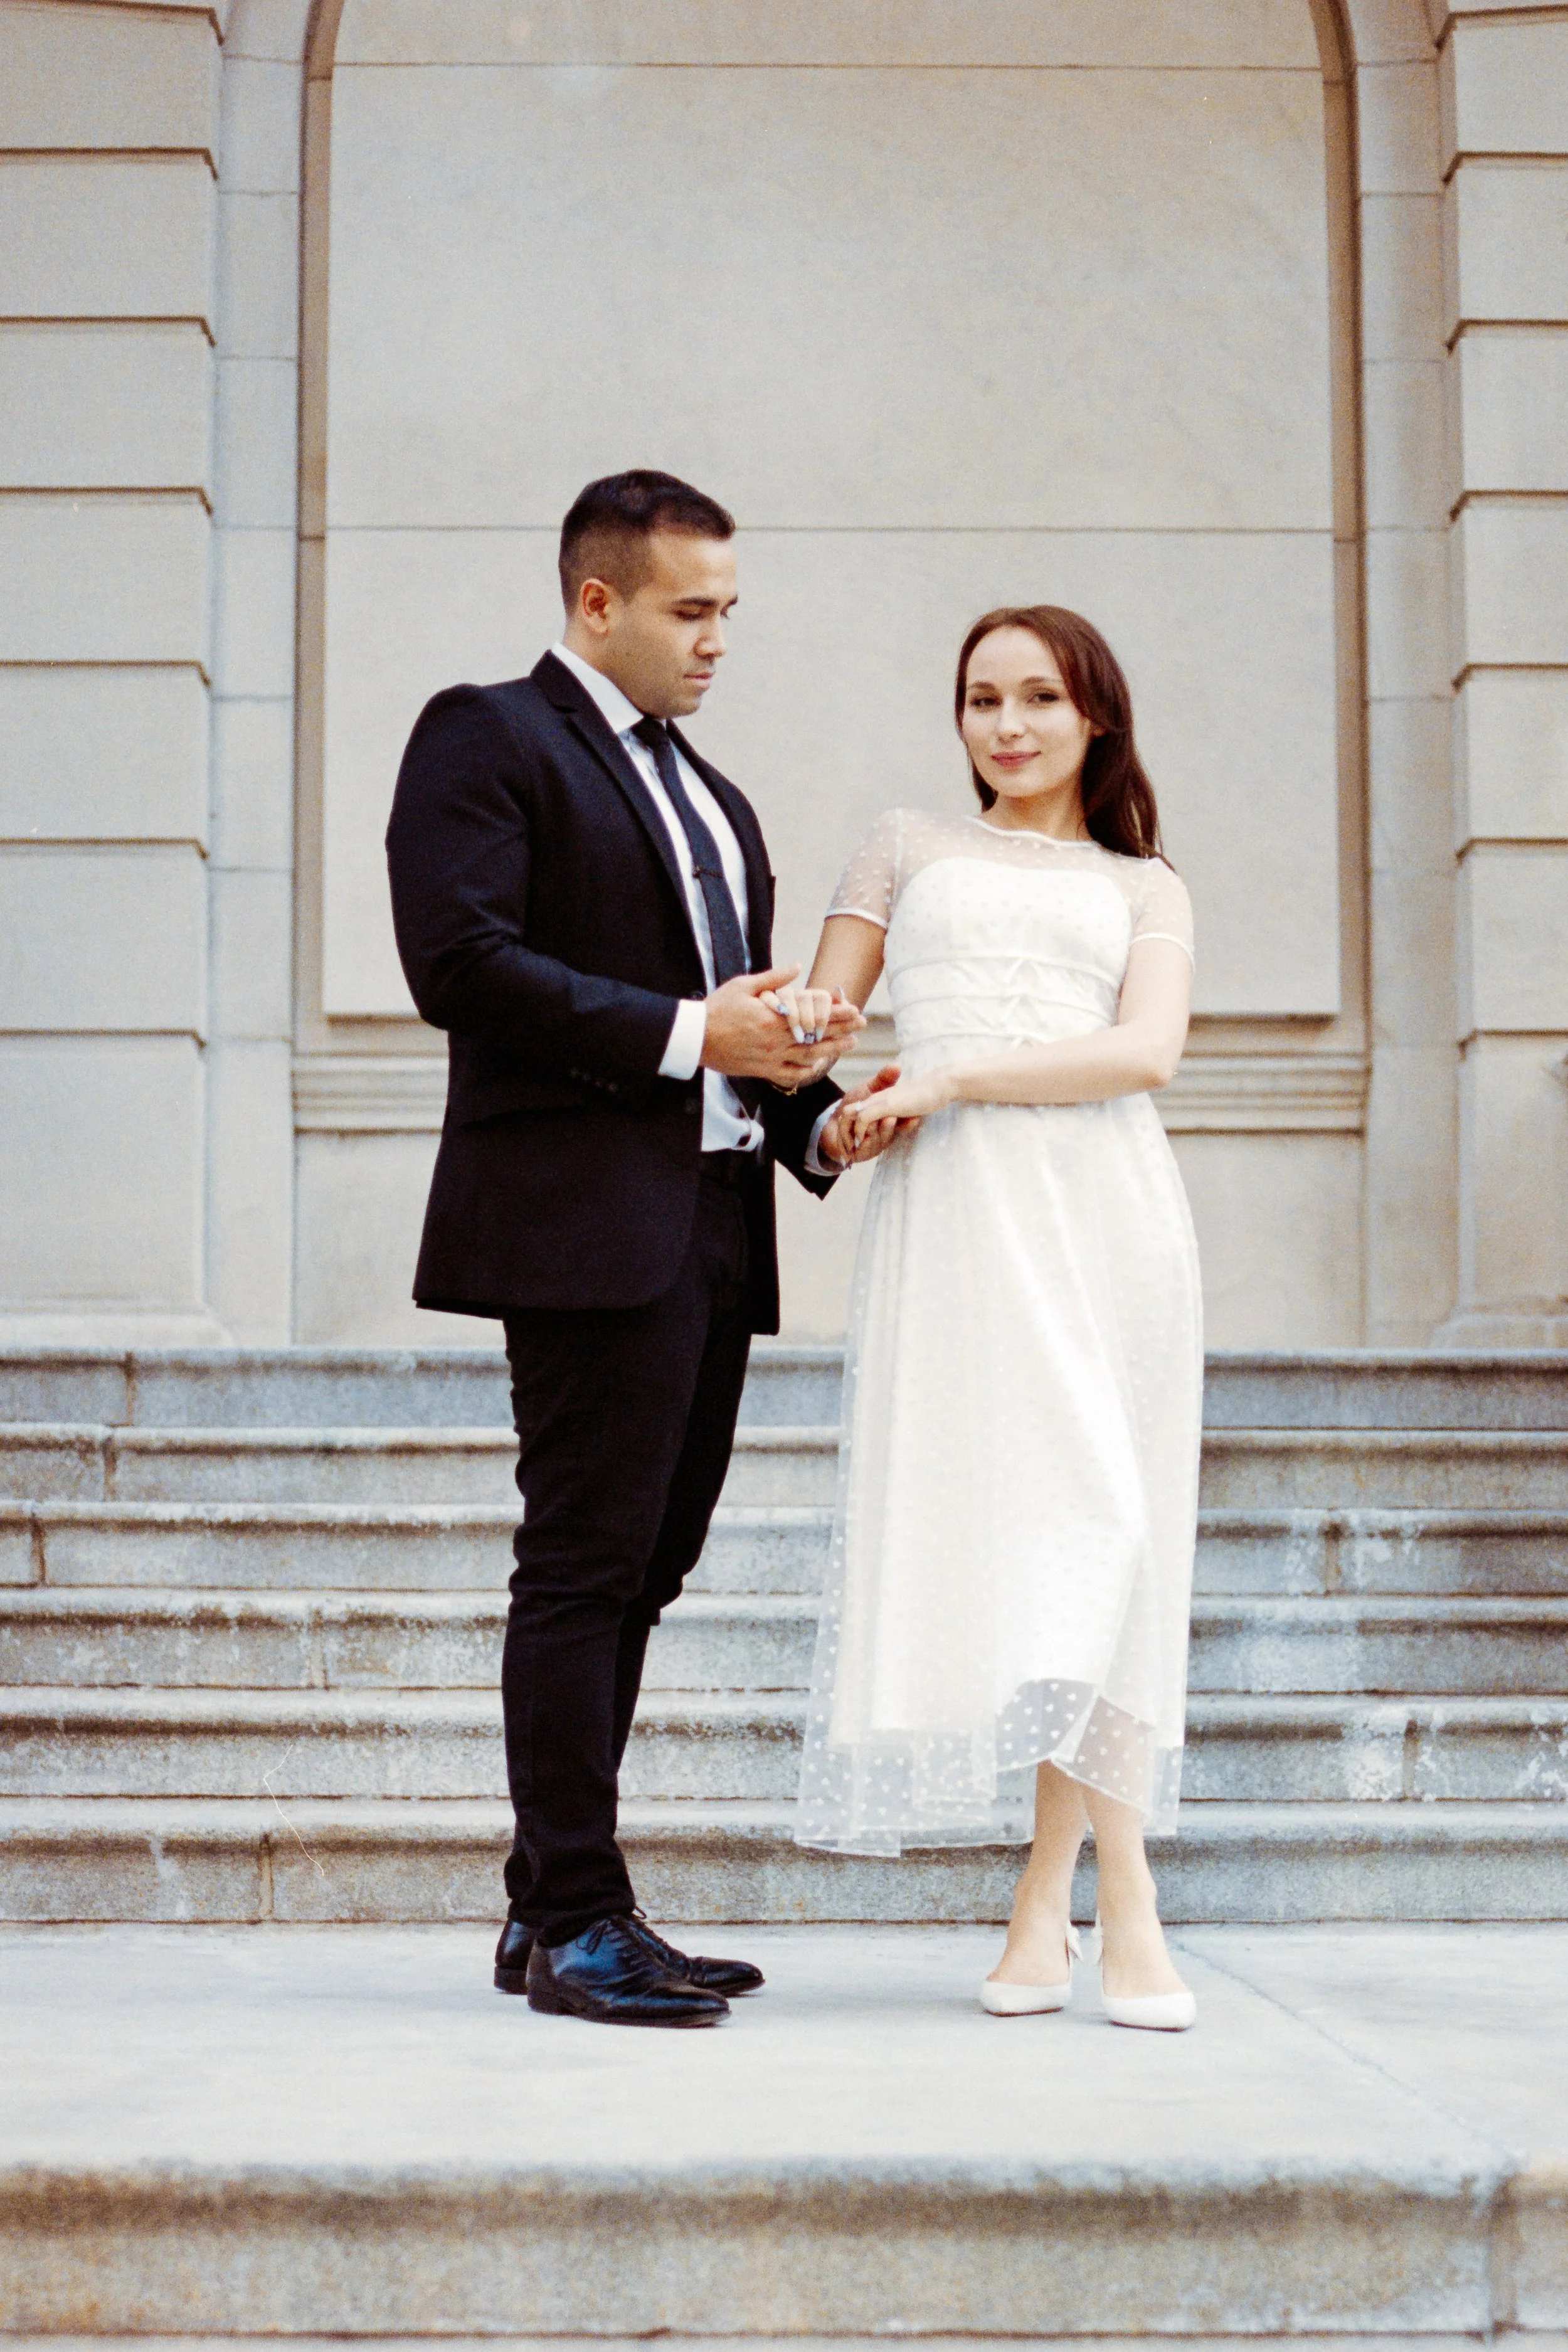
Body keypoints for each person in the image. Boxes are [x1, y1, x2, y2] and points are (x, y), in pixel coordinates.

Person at [385, 470, 899, 2028]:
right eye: (691, 608)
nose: (716, 638)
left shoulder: (713, 798)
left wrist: (817, 1117)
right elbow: (458, 961)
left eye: (730, 610)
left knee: (648, 1570)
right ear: (595, 602)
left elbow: (731, 1044)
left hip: (710, 1236)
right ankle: (577, 1915)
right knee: (585, 1564)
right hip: (579, 1235)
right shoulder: (484, 734)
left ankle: (554, 1904)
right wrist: (695, 1025)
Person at [782, 605, 1203, 2032]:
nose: (1004, 725)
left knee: (1115, 1537)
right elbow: (815, 1037)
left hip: (1104, 1219)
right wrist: (833, 1107)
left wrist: (950, 1076)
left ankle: (1093, 1888)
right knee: (1037, 1546)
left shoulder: (1144, 883)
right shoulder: (905, 846)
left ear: (1095, 716)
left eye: (1035, 698)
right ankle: (1064, 1895)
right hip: (956, 1225)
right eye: (979, 699)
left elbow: (1144, 1052)